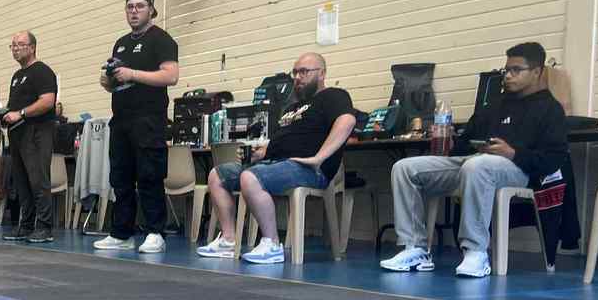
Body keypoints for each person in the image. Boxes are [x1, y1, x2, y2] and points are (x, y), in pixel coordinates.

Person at [381, 41, 569, 277]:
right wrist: (457, 143)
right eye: (506, 70)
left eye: (516, 70)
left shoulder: (550, 109)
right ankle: (415, 248)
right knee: (405, 168)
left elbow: (554, 159)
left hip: (520, 170)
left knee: (477, 165)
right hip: (476, 163)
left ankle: (475, 252)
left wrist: (513, 153)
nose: (508, 76)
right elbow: (466, 140)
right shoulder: (496, 104)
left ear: (537, 72)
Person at [198, 52, 357, 264]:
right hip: (275, 164)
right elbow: (281, 141)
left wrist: (319, 157)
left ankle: (272, 244)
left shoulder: (334, 96)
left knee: (250, 178)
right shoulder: (291, 108)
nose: (298, 77)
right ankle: (228, 240)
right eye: (295, 72)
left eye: (304, 72)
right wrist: (260, 154)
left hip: (308, 168)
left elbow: (347, 122)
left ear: (322, 73)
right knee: (217, 175)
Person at [93, 0, 180, 254]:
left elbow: (171, 76)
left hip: (148, 120)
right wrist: (108, 80)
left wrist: (132, 73)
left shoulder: (162, 39)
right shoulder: (121, 43)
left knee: (149, 176)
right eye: (130, 7)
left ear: (151, 9)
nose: (134, 11)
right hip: (122, 119)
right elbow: (115, 82)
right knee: (120, 178)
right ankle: (122, 234)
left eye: (140, 6)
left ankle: (155, 233)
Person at [2, 31, 59, 243]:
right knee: (22, 182)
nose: (16, 48)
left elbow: (47, 101)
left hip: (37, 132)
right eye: (13, 45)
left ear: (32, 47)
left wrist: (21, 113)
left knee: (38, 180)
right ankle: (26, 225)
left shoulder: (42, 71)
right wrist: (5, 116)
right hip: (17, 134)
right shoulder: (17, 76)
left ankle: (44, 227)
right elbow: (14, 107)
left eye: (20, 44)